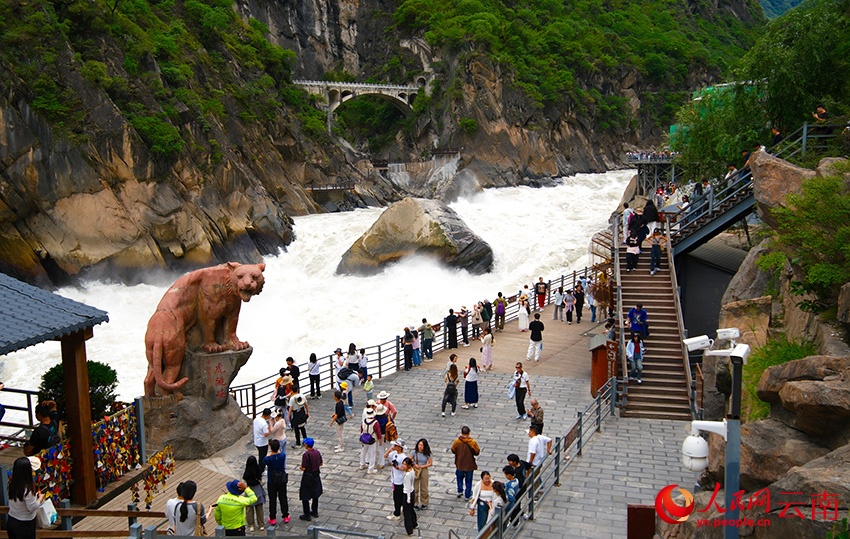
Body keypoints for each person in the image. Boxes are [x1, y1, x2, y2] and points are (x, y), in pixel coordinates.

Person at [7, 456, 44, 539]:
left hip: (12, 519)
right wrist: (40, 499)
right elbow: (32, 507)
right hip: (25, 524)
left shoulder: (11, 484)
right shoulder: (27, 489)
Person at [264, 439, 289, 526]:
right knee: (283, 497)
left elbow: (265, 459)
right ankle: (285, 515)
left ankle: (272, 517)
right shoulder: (282, 455)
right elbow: (279, 453)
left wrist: (270, 453)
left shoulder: (268, 459)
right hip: (281, 479)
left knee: (272, 499)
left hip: (272, 480)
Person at [451, 426, 480, 500]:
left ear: (461, 432)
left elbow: (453, 450)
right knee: (469, 479)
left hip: (460, 463)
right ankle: (467, 494)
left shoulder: (457, 441)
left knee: (459, 476)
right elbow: (477, 452)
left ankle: (460, 490)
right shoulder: (472, 442)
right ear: (469, 433)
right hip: (469, 464)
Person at [298, 438, 323, 521]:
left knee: (305, 495)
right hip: (316, 476)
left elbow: (304, 468)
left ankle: (306, 514)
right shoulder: (317, 452)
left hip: (308, 476)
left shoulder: (306, 455)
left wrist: (300, 467)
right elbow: (321, 463)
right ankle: (315, 511)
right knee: (315, 495)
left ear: (306, 445)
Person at [385, 439, 407, 521]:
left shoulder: (403, 457)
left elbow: (405, 468)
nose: (394, 447)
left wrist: (397, 467)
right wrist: (389, 450)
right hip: (394, 478)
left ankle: (397, 513)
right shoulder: (394, 453)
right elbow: (385, 456)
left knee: (397, 497)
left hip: (399, 480)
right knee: (396, 496)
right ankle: (400, 509)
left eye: (395, 446)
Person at [242, 456, 266, 532]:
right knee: (259, 509)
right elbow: (260, 478)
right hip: (258, 490)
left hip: (249, 491)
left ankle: (251, 525)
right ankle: (261, 525)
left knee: (249, 509)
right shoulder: (258, 470)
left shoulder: (247, 472)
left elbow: (245, 480)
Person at [411, 438, 432, 510]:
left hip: (423, 469)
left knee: (424, 487)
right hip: (416, 469)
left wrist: (422, 466)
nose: (420, 447)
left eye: (422, 445)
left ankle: (424, 502)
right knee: (415, 487)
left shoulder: (427, 453)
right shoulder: (414, 452)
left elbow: (430, 463)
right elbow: (409, 459)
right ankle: (414, 503)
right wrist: (414, 464)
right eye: (419, 445)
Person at [359, 407, 382, 474]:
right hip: (372, 439)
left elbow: (361, 430)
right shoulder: (375, 422)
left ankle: (362, 464)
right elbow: (378, 432)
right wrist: (380, 439)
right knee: (372, 453)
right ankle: (371, 469)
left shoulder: (364, 421)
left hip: (364, 438)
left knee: (363, 451)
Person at [401, 458, 418, 535]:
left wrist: (408, 498)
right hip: (412, 491)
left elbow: (407, 487)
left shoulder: (408, 475)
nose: (403, 466)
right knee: (411, 509)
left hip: (407, 493)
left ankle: (409, 529)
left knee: (406, 512)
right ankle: (414, 523)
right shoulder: (412, 471)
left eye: (405, 464)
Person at [252, 409, 271, 473]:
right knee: (262, 457)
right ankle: (261, 470)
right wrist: (269, 429)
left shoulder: (256, 419)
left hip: (257, 441)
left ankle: (262, 467)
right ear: (268, 415)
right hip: (263, 443)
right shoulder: (264, 424)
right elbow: (266, 434)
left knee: (260, 455)